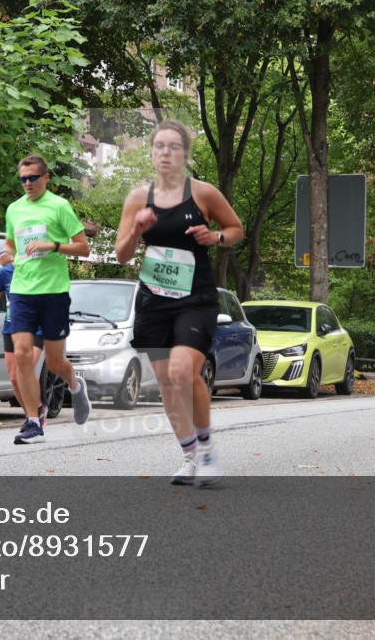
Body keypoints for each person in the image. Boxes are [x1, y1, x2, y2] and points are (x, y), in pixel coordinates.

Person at [114, 120, 244, 486]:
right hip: (153, 299)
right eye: (159, 147)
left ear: (185, 154)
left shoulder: (204, 193)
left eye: (173, 147)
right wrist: (138, 230)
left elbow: (236, 229)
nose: (166, 153)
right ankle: (190, 456)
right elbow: (122, 255)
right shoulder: (138, 197)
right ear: (152, 153)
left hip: (196, 297)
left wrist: (214, 236)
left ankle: (206, 450)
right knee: (166, 383)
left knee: (182, 373)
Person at [4, 155, 92, 444]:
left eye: (32, 178)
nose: (27, 183)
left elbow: (84, 248)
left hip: (53, 291)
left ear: (46, 177)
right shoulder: (14, 209)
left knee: (55, 362)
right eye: (23, 179)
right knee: (21, 354)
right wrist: (6, 255)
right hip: (22, 291)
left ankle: (75, 386)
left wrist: (52, 245)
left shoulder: (59, 206)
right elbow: (10, 244)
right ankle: (32, 420)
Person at [0, 249, 45, 416]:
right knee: (14, 378)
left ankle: (34, 416)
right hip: (11, 328)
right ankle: (32, 415)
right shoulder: (5, 272)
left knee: (24, 372)